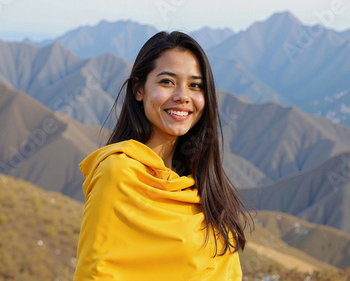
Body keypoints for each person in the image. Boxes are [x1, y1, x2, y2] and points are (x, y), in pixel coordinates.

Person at [74, 31, 251, 281]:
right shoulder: (117, 174)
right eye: (167, 82)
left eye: (195, 85)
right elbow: (97, 274)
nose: (183, 96)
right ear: (139, 89)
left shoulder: (201, 183)